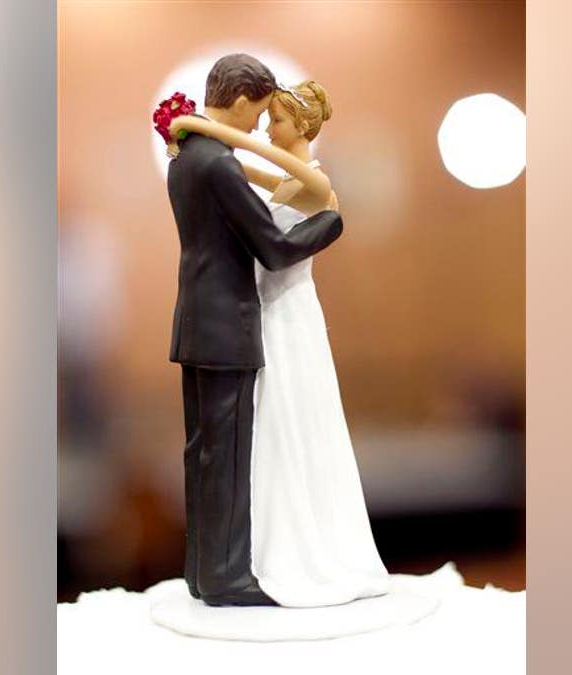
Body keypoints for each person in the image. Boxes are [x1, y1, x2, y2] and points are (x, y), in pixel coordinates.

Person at [169, 79, 391, 607]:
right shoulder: (288, 179)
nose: (269, 127)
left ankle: (276, 551)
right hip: (258, 313)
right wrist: (198, 131)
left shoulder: (312, 182)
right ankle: (252, 555)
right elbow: (249, 170)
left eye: (280, 120)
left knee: (285, 425)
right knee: (260, 435)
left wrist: (331, 221)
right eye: (266, 117)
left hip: (287, 315)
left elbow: (285, 211)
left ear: (304, 126)